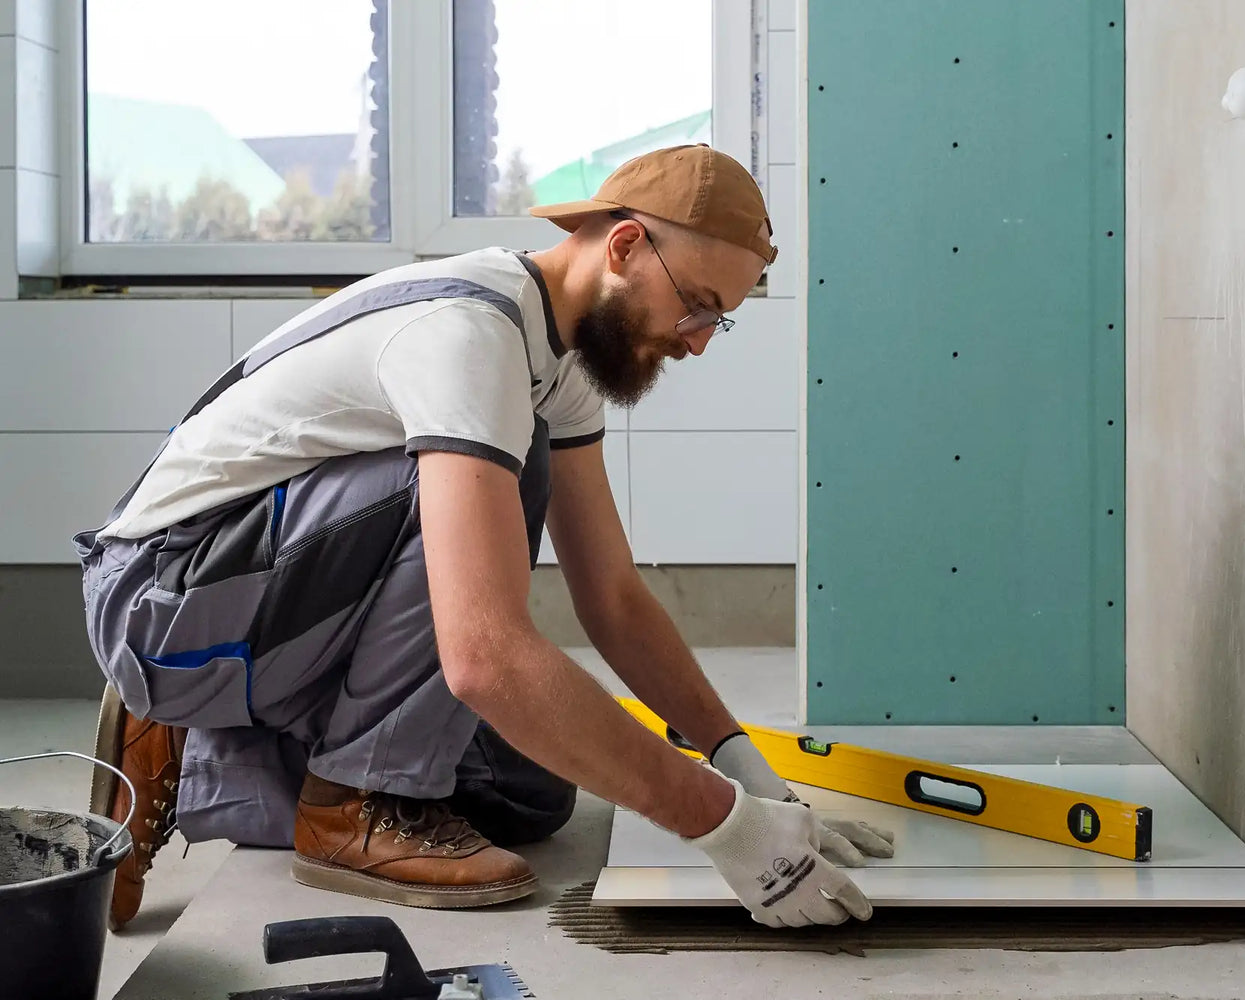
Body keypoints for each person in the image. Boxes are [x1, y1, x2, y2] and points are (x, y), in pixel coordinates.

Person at [74, 144, 894, 934]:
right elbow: (483, 656)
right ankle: (354, 808)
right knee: (497, 470)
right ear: (626, 244)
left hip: (262, 600)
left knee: (533, 792)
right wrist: (723, 828)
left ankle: (195, 767)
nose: (699, 339)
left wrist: (746, 775)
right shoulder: (471, 334)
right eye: (699, 304)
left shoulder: (561, 360)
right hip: (164, 601)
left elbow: (612, 597)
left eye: (722, 320)